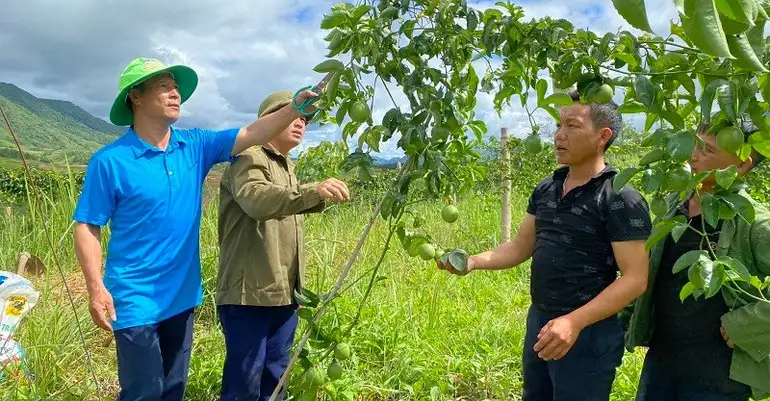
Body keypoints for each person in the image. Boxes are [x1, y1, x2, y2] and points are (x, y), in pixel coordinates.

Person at [72, 57, 319, 401]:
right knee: (144, 391)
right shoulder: (110, 161)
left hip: (182, 295)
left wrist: (295, 108)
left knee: (173, 389)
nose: (175, 94)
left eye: (176, 88)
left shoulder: (195, 146)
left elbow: (252, 133)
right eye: (164, 87)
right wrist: (95, 287)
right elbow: (88, 225)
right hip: (133, 297)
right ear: (136, 97)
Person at [438, 90, 652, 401]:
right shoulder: (547, 188)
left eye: (573, 126)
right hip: (541, 322)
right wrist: (472, 261)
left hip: (588, 330)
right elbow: (520, 247)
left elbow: (635, 279)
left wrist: (574, 321)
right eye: (558, 125)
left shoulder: (619, 198)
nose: (559, 135)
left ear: (602, 136)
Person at [214, 90, 350, 401]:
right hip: (248, 294)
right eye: (293, 114)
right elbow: (258, 201)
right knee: (244, 381)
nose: (301, 122)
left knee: (275, 377)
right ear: (269, 119)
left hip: (283, 295)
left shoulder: (287, 165)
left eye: (305, 118)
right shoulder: (248, 156)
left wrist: (297, 289)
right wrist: (312, 192)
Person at [624, 119, 770, 401]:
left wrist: (746, 324)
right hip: (663, 361)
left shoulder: (753, 222)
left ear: (741, 166)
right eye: (696, 144)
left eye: (708, 150)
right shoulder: (673, 205)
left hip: (718, 377)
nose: (693, 156)